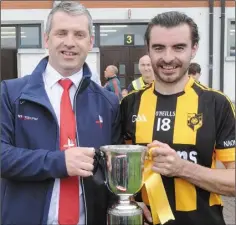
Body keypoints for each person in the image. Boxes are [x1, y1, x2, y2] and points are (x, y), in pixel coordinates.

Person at [1, 2, 122, 225]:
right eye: (61, 33)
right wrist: (58, 161)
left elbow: (113, 171)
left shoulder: (109, 102)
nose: (70, 42)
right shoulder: (10, 93)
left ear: (90, 41)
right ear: (47, 39)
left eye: (79, 34)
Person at [121, 11, 235, 225]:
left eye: (178, 47)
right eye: (158, 48)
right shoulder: (129, 104)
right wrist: (131, 199)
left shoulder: (217, 104)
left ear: (194, 49)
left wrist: (182, 168)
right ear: (148, 49)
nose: (167, 57)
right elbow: (123, 168)